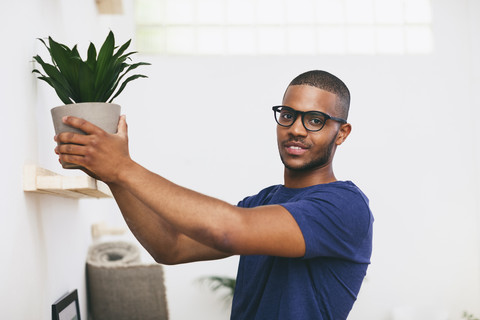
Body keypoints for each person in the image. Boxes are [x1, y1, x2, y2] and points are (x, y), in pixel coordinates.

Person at [55, 70, 373, 319]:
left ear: (341, 133)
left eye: (315, 120)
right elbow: (171, 247)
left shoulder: (345, 206)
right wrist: (114, 177)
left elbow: (228, 231)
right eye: (288, 114)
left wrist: (123, 167)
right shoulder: (264, 202)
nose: (296, 129)